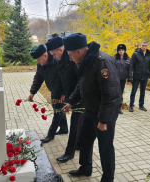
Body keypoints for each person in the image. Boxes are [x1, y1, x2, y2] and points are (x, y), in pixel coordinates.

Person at [62, 33, 122, 182]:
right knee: (85, 139)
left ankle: (108, 178)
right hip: (91, 108)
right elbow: (82, 85)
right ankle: (85, 168)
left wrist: (103, 121)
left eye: (70, 55)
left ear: (78, 51)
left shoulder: (102, 63)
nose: (70, 58)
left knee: (105, 145)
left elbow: (111, 95)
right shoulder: (86, 61)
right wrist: (71, 101)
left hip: (105, 111)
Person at [46, 36, 85, 163]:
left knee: (75, 124)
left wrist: (76, 99)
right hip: (73, 97)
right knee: (79, 124)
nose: (53, 57)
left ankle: (69, 153)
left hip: (80, 98)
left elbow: (81, 80)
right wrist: (56, 95)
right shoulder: (61, 62)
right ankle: (79, 144)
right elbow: (60, 79)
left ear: (61, 50)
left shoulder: (72, 59)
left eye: (54, 54)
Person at [28, 44, 68, 143]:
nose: (37, 62)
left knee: (57, 112)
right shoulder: (41, 65)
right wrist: (32, 92)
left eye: (38, 59)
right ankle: (64, 129)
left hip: (61, 92)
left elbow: (64, 78)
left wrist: (62, 93)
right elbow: (38, 78)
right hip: (53, 91)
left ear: (45, 56)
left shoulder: (56, 62)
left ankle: (51, 134)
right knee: (58, 109)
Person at [129, 41, 150, 112]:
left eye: (145, 45)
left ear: (147, 46)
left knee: (143, 92)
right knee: (134, 91)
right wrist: (130, 76)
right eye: (143, 45)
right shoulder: (135, 54)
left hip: (145, 76)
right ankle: (131, 105)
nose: (144, 47)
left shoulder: (149, 54)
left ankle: (141, 105)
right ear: (140, 46)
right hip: (136, 76)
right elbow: (131, 65)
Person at [114, 44, 133, 114]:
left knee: (120, 93)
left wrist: (129, 79)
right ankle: (114, 107)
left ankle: (118, 108)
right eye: (120, 50)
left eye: (122, 50)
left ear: (124, 51)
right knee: (115, 93)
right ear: (118, 51)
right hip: (116, 79)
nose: (121, 51)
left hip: (123, 79)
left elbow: (130, 70)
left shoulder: (128, 59)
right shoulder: (114, 58)